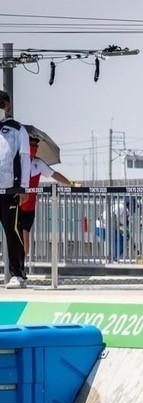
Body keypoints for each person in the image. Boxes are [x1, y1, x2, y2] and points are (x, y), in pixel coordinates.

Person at [20, 136, 74, 258]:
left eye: (36, 146)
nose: (34, 148)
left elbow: (54, 174)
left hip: (29, 207)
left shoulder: (38, 163)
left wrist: (71, 183)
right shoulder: (17, 162)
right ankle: (15, 267)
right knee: (14, 237)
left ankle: (20, 267)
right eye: (31, 145)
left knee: (25, 236)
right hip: (16, 205)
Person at [0, 90, 30, 289]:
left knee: (13, 232)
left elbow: (25, 158)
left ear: (7, 105)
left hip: (10, 190)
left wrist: (24, 187)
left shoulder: (17, 129)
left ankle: (17, 274)